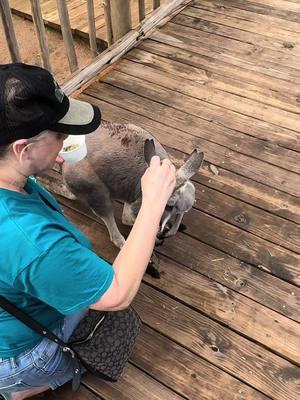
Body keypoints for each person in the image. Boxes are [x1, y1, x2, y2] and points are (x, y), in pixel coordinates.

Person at [0, 63, 176, 400]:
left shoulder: (11, 179)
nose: (68, 139)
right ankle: (24, 385)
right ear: (23, 149)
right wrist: (153, 200)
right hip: (19, 352)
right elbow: (117, 294)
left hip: (15, 306)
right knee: (105, 315)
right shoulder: (29, 239)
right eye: (60, 134)